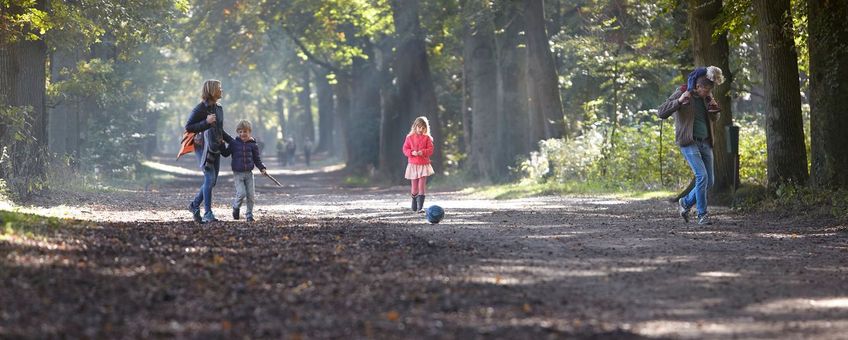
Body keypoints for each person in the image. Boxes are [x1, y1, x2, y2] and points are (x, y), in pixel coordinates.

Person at [657, 66, 724, 225]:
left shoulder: (707, 98)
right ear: (698, 86)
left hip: (706, 142)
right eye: (705, 89)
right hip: (688, 142)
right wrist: (679, 101)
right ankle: (702, 214)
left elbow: (715, 119)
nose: (707, 92)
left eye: (710, 89)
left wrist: (714, 109)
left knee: (710, 181)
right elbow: (661, 112)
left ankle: (686, 203)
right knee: (702, 176)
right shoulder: (682, 92)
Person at [185, 79, 233, 223]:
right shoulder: (200, 109)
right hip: (203, 148)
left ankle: (194, 205)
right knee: (210, 178)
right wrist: (205, 122)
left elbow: (220, 130)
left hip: (215, 146)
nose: (221, 90)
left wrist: (233, 141)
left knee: (212, 181)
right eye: (219, 88)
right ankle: (208, 213)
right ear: (212, 90)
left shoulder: (219, 108)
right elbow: (189, 127)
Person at [224, 120, 267, 222]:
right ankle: (236, 207)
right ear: (238, 132)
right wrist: (221, 145)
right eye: (240, 132)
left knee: (251, 195)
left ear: (249, 132)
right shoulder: (234, 143)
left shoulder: (253, 145)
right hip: (238, 174)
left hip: (249, 174)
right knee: (241, 193)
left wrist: (262, 168)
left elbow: (257, 159)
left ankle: (249, 214)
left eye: (245, 132)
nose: (242, 134)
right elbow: (225, 153)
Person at [402, 116, 435, 213]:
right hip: (413, 164)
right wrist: (411, 152)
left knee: (421, 185)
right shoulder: (409, 138)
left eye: (423, 128)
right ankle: (414, 200)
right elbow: (405, 149)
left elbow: (430, 149)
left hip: (423, 164)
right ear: (415, 127)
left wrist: (423, 152)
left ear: (426, 128)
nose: (421, 129)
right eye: (419, 127)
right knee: (414, 186)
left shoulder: (427, 138)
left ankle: (420, 207)